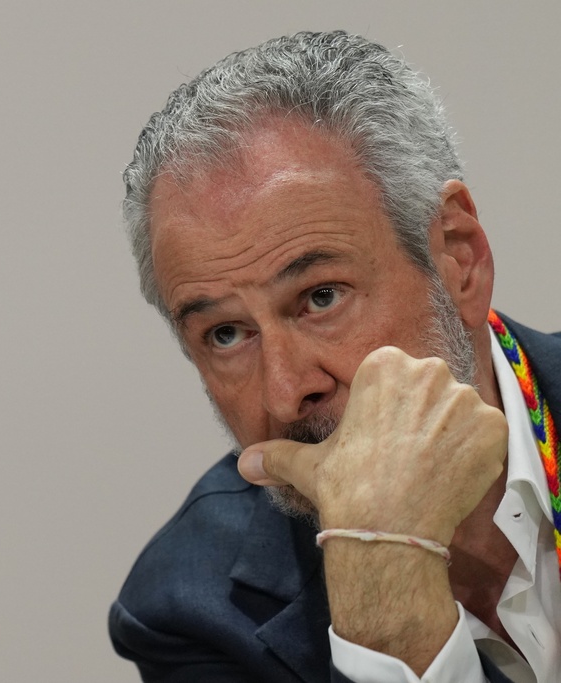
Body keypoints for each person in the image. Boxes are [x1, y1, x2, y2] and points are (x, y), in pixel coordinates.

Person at [109, 31, 560, 683]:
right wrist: (386, 584)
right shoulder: (192, 610)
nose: (286, 391)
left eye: (320, 297)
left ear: (457, 257)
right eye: (226, 334)